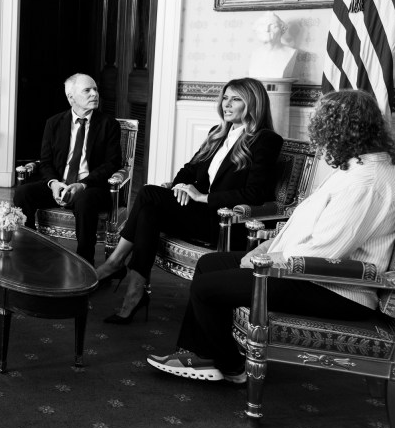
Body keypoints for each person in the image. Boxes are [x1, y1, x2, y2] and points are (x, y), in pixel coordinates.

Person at [147, 89, 395, 384]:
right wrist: (269, 245)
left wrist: (263, 259)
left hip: (335, 290)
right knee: (209, 264)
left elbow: (324, 251)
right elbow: (307, 229)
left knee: (207, 287)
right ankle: (199, 354)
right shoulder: (357, 169)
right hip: (308, 274)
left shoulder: (367, 183)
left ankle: (230, 367)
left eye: (323, 131)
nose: (320, 143)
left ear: (341, 130)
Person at [95, 77, 284, 323]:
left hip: (227, 223)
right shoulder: (218, 134)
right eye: (225, 98)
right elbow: (188, 170)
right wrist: (181, 187)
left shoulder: (265, 139)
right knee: (149, 212)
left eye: (236, 99)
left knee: (148, 194)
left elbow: (255, 194)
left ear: (253, 103)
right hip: (199, 215)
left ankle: (115, 262)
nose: (226, 104)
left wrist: (202, 196)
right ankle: (134, 292)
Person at [14, 73, 122, 265]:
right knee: (23, 193)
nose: (94, 94)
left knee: (85, 200)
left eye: (95, 89)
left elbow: (112, 164)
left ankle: (84, 263)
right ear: (71, 97)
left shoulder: (109, 125)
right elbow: (45, 162)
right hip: (59, 183)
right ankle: (28, 250)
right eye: (87, 90)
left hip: (91, 188)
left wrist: (82, 185)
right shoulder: (54, 123)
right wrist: (54, 183)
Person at [247, 12, 297, 80]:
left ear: (282, 29)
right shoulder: (255, 53)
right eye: (262, 25)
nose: (267, 29)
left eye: (273, 26)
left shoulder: (290, 53)